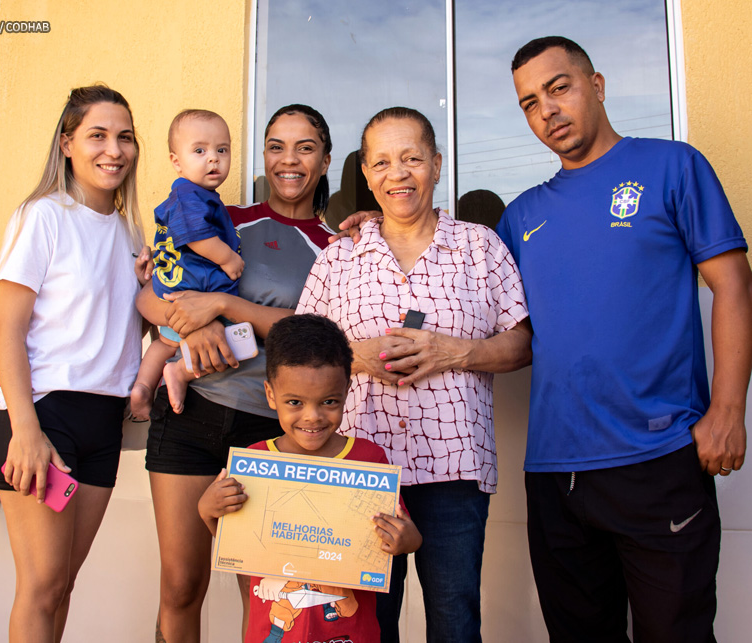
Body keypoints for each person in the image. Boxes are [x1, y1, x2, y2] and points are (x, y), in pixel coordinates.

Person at [497, 36, 752, 642]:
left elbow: (734, 285)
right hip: (555, 473)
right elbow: (473, 301)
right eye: (530, 103)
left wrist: (728, 409)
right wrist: (387, 225)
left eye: (559, 88)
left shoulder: (672, 167)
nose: (547, 111)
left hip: (657, 459)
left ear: (598, 84)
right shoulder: (522, 215)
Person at [297, 106, 532, 643]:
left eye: (411, 158)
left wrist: (455, 353)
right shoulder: (338, 259)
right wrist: (356, 355)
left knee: (454, 622)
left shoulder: (481, 247)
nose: (397, 174)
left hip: (453, 473)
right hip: (356, 470)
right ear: (366, 175)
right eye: (381, 162)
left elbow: (522, 343)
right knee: (363, 627)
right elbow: (302, 353)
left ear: (437, 164)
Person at [135, 104, 335, 642]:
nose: (288, 160)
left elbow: (310, 332)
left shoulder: (336, 247)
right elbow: (150, 299)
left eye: (305, 147)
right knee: (181, 586)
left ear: (325, 160)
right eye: (275, 146)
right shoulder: (223, 221)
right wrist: (191, 324)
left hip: (267, 432)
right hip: (188, 414)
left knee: (267, 595)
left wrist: (219, 309)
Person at [0, 85, 150, 642]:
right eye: (97, 135)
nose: (114, 150)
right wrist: (24, 429)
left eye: (124, 137)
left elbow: (136, 325)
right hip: (45, 415)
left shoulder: (132, 233)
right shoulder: (43, 217)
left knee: (63, 587)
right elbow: (5, 329)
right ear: (67, 144)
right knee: (40, 587)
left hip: (102, 424)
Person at [198, 314, 422, 643]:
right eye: (294, 402)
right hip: (274, 632)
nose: (312, 416)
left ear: (347, 390)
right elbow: (239, 545)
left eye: (328, 402)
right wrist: (207, 509)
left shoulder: (369, 461)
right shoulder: (255, 462)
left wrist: (408, 539)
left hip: (349, 633)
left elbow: (405, 539)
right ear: (271, 395)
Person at [130, 109, 243, 419]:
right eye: (200, 151)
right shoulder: (191, 195)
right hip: (193, 292)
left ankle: (143, 385)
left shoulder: (192, 194)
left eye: (222, 150)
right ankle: (181, 371)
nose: (213, 159)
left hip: (174, 289)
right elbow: (197, 236)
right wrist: (228, 258)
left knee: (165, 341)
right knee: (237, 339)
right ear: (176, 162)